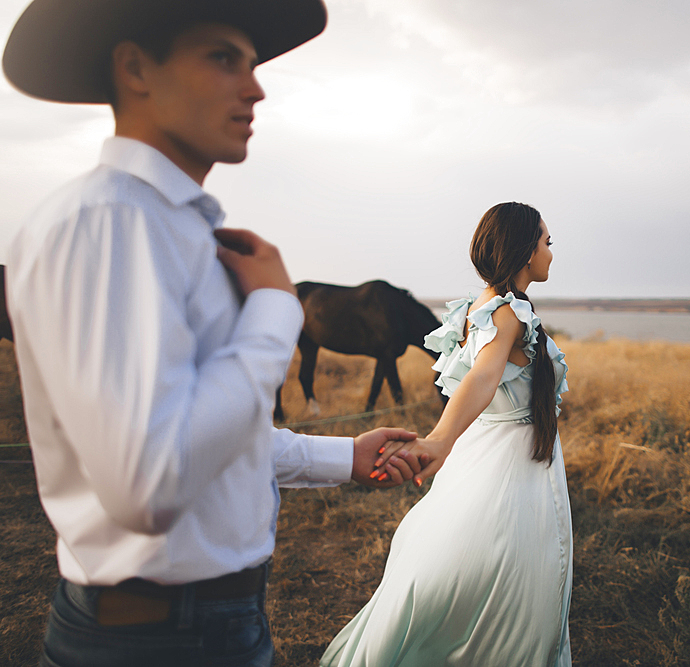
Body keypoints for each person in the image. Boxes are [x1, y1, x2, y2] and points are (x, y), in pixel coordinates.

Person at [2, 1, 423, 665]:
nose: (256, 87)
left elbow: (209, 433)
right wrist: (276, 312)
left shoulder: (171, 230)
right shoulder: (108, 225)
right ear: (135, 67)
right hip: (154, 636)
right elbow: (151, 480)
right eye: (224, 57)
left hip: (207, 622)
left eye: (253, 64)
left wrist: (347, 457)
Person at [321, 202, 573, 666]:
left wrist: (448, 442)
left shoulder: (477, 308)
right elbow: (482, 377)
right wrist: (439, 438)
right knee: (518, 582)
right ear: (524, 251)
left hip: (483, 454)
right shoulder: (508, 313)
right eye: (547, 242)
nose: (552, 253)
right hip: (508, 463)